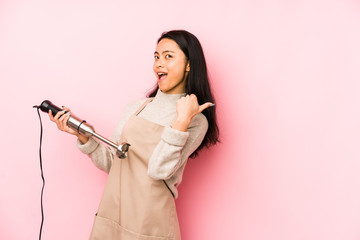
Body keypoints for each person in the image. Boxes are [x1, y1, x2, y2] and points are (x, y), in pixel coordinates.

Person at [49, 30, 219, 240]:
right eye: (156, 56)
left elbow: (159, 170)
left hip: (150, 222)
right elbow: (114, 162)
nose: (158, 63)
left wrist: (181, 121)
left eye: (168, 56)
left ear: (189, 64)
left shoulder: (195, 120)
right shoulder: (136, 107)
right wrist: (83, 135)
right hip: (113, 212)